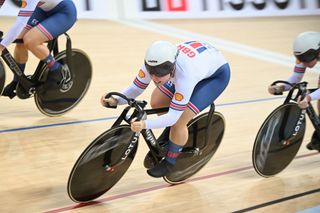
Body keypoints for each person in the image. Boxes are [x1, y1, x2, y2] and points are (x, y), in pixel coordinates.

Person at [101, 40, 231, 177]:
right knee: (157, 101)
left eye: (160, 73)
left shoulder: (185, 75)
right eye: (152, 73)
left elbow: (173, 116)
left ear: (172, 67)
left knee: (179, 121)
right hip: (199, 63)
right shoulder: (153, 64)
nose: (155, 78)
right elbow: (136, 88)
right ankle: (173, 133)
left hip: (215, 77)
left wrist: (145, 124)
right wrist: (116, 100)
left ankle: (170, 161)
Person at [0, 0, 77, 98]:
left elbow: (20, 23)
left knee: (30, 40)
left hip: (63, 13)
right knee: (19, 40)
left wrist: (2, 46)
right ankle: (18, 80)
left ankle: (58, 70)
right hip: (42, 9)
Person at [268, 31, 320, 151]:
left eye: (306, 58)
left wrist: (308, 98)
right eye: (300, 58)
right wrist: (281, 87)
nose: (303, 62)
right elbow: (296, 77)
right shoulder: (303, 54)